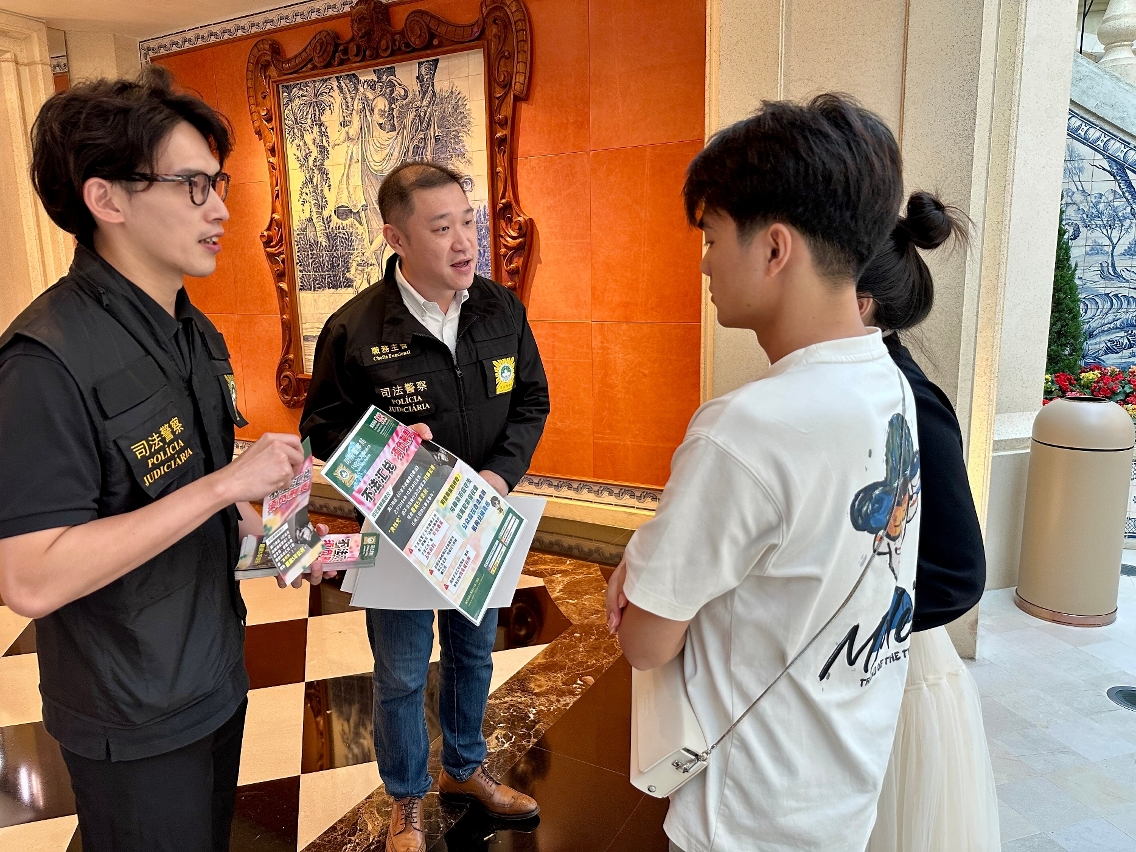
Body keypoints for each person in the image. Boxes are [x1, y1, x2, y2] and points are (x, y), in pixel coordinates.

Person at [0, 67, 332, 852]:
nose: (220, 209)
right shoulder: (43, 363)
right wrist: (225, 484)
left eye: (217, 184)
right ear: (106, 199)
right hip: (130, 709)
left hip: (212, 670)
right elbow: (29, 579)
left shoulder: (193, 331)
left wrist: (270, 532)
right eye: (191, 186)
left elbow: (193, 492)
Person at [605, 95, 920, 852]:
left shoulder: (746, 428)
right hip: (839, 791)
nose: (705, 262)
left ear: (775, 249)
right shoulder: (889, 382)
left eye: (712, 237)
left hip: (744, 815)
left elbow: (646, 642)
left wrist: (636, 571)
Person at [301, 161, 549, 852]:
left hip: (478, 521)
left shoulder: (500, 310)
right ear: (397, 238)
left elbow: (531, 400)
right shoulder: (354, 330)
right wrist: (385, 447)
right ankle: (406, 800)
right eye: (442, 228)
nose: (464, 242)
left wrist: (498, 476)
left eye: (468, 222)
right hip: (400, 527)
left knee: (474, 656)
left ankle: (464, 770)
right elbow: (322, 428)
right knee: (403, 673)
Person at [859, 192, 1000, 852]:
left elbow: (959, 574)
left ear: (861, 301)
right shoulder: (861, 387)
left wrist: (858, 617)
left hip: (896, 675)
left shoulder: (909, 398)